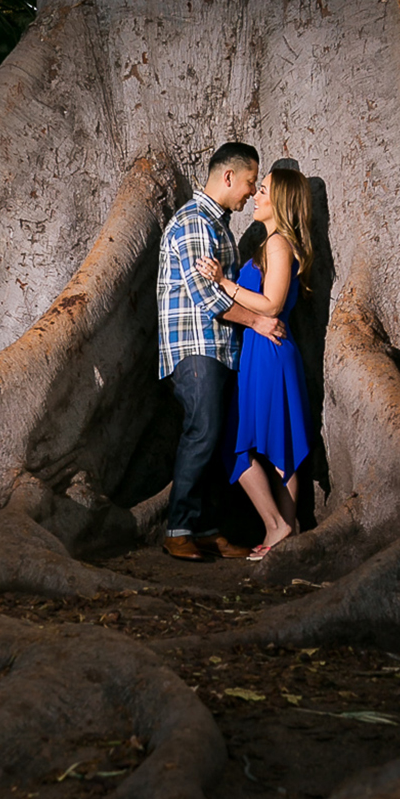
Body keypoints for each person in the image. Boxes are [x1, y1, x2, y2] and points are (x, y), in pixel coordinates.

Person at [154, 142, 283, 561]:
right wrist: (259, 321)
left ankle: (205, 528)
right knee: (203, 430)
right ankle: (177, 528)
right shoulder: (194, 223)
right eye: (249, 183)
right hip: (196, 348)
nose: (250, 194)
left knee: (218, 436)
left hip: (220, 348)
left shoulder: (218, 225)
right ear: (228, 177)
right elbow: (207, 297)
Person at [207, 162, 314, 558]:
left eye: (264, 190)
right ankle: (283, 526)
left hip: (270, 353)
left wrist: (224, 283)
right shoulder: (269, 243)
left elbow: (271, 304)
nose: (256, 195)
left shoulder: (279, 244)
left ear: (281, 201)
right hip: (258, 351)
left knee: (275, 443)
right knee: (246, 441)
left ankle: (280, 528)